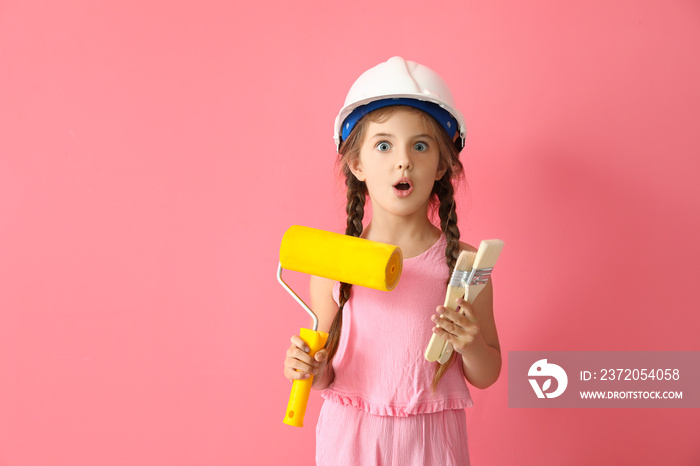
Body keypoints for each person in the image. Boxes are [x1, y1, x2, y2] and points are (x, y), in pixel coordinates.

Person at [283, 56, 501, 465]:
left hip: (433, 446)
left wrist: (471, 346)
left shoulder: (468, 263)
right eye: (383, 145)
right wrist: (310, 370)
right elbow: (328, 372)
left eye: (420, 145)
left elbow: (488, 373)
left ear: (441, 164)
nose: (403, 160)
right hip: (352, 442)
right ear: (357, 163)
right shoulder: (333, 262)